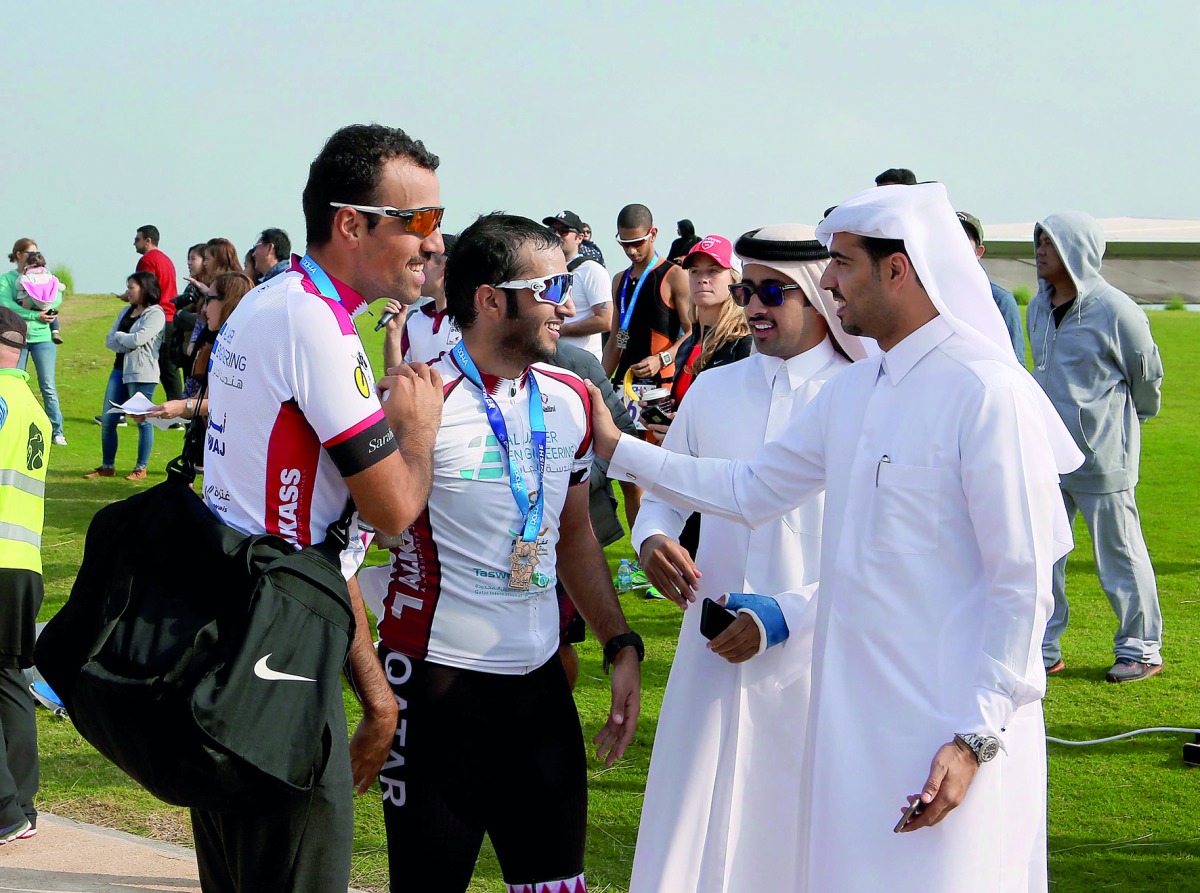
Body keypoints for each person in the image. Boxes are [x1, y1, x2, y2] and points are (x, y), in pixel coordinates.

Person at [589, 182, 1083, 893]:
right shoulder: (858, 392)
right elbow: (749, 489)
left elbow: (1023, 578)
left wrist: (976, 733)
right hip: (853, 723)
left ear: (898, 269)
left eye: (843, 264)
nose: (829, 282)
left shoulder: (985, 392)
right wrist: (620, 448)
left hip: (951, 724)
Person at [192, 123, 446, 893]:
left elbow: (318, 538)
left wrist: (374, 694)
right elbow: (394, 512)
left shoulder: (276, 300)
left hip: (243, 627)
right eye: (421, 221)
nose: (433, 244)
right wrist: (418, 432)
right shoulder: (316, 326)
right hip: (279, 655)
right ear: (350, 223)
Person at [356, 213, 642, 893]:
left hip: (539, 684)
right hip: (434, 688)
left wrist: (618, 640)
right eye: (548, 288)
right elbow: (350, 548)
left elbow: (574, 534)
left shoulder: (571, 396)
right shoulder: (415, 399)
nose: (566, 305)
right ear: (489, 299)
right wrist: (374, 695)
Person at [629, 224, 867, 893]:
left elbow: (875, 551)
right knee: (694, 829)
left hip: (822, 657)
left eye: (773, 291)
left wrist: (787, 615)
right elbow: (666, 494)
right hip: (711, 650)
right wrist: (653, 539)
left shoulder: (863, 398)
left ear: (820, 297)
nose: (753, 306)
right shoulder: (713, 389)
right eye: (745, 289)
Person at [1027, 211, 1165, 682]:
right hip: (1047, 456)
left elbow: (1146, 377)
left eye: (1050, 241)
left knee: (1120, 554)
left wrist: (1125, 424)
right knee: (1043, 552)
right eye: (1039, 240)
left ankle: (1140, 648)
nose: (1040, 249)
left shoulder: (1118, 309)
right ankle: (1042, 648)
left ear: (1076, 249)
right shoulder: (1038, 307)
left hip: (1104, 457)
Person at [0, 308, 49, 845]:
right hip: (24, 561)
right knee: (11, 680)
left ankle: (3, 810)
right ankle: (22, 805)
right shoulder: (33, 406)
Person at [602, 203, 691, 396]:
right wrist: (597, 386)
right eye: (625, 244)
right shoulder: (619, 280)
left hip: (661, 385)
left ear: (653, 234)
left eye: (638, 243)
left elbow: (694, 332)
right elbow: (616, 340)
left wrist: (662, 359)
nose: (631, 251)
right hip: (624, 385)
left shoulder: (675, 276)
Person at [84, 271, 165, 481]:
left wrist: (123, 338)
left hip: (142, 373)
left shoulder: (155, 314)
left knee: (142, 421)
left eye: (131, 287)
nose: (128, 292)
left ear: (144, 288)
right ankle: (107, 466)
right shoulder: (125, 312)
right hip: (119, 370)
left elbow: (137, 340)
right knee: (109, 421)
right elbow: (109, 341)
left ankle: (141, 468)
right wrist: (124, 341)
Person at [148, 272, 256, 424]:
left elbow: (229, 402)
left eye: (209, 299)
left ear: (228, 301)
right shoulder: (219, 339)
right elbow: (204, 397)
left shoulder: (246, 347)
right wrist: (152, 413)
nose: (204, 309)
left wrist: (183, 406)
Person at [0, 240, 65, 446]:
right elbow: (5, 304)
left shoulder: (45, 276)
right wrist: (33, 315)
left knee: (48, 385)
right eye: (30, 252)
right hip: (16, 340)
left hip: (43, 339)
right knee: (13, 384)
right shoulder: (8, 279)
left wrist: (46, 308)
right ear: (18, 254)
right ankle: (12, 425)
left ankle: (57, 430)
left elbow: (56, 296)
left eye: (36, 251)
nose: (34, 255)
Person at [381, 233, 460, 367]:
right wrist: (394, 333)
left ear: (446, 265)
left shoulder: (472, 321)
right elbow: (397, 377)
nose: (417, 265)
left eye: (426, 257)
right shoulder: (415, 319)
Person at [957, 212, 1024, 361]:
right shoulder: (928, 297)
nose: (955, 243)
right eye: (950, 235)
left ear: (978, 252)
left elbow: (1016, 365)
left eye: (963, 238)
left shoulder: (1000, 301)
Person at [544, 209, 610, 359]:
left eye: (564, 231)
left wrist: (562, 330)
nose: (556, 235)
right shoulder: (547, 270)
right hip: (550, 358)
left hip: (581, 361)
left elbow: (605, 320)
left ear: (580, 238)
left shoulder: (592, 270)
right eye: (552, 230)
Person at [133, 225, 181, 402]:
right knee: (169, 369)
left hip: (157, 318)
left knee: (141, 364)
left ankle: (128, 409)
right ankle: (176, 412)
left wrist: (130, 298)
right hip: (170, 317)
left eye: (137, 239)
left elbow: (146, 290)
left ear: (148, 240)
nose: (134, 243)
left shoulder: (147, 260)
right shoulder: (166, 260)